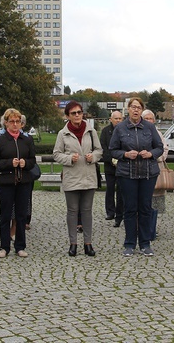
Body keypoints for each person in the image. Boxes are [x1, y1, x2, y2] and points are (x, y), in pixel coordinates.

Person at [109, 97, 164, 257]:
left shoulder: (149, 127)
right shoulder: (120, 128)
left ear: (141, 110)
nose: (135, 110)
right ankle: (130, 243)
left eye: (138, 107)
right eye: (133, 107)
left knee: (145, 209)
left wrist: (151, 154)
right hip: (127, 174)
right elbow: (112, 150)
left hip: (148, 174)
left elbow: (159, 147)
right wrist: (125, 154)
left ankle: (145, 243)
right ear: (128, 109)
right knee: (130, 209)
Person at [53, 101, 103, 257]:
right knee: (72, 211)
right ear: (68, 116)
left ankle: (88, 244)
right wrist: (68, 158)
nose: (77, 115)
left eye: (79, 112)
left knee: (87, 211)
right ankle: (73, 244)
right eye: (73, 113)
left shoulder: (90, 131)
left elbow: (99, 150)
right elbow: (56, 154)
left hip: (88, 176)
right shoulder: (63, 133)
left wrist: (93, 156)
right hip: (72, 176)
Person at [0, 108, 37, 258]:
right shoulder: (0, 141)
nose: (15, 124)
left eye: (18, 121)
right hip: (6, 182)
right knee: (5, 215)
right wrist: (10, 163)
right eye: (12, 121)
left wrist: (25, 163)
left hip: (23, 182)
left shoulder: (27, 140)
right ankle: (4, 246)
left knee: (21, 215)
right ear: (6, 123)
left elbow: (33, 160)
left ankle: (20, 246)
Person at [141, 109, 167, 241]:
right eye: (146, 119)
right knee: (143, 202)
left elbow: (164, 149)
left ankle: (152, 229)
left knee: (155, 204)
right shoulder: (138, 132)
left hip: (156, 169)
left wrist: (154, 156)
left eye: (150, 119)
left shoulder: (158, 133)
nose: (149, 121)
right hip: (141, 171)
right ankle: (142, 229)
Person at [100, 110, 124, 226]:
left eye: (120, 118)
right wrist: (112, 160)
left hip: (122, 166)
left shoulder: (125, 131)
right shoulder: (105, 132)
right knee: (110, 189)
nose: (118, 121)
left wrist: (120, 159)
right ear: (111, 119)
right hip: (109, 166)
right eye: (116, 119)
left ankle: (121, 212)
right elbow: (103, 148)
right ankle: (110, 212)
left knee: (121, 190)